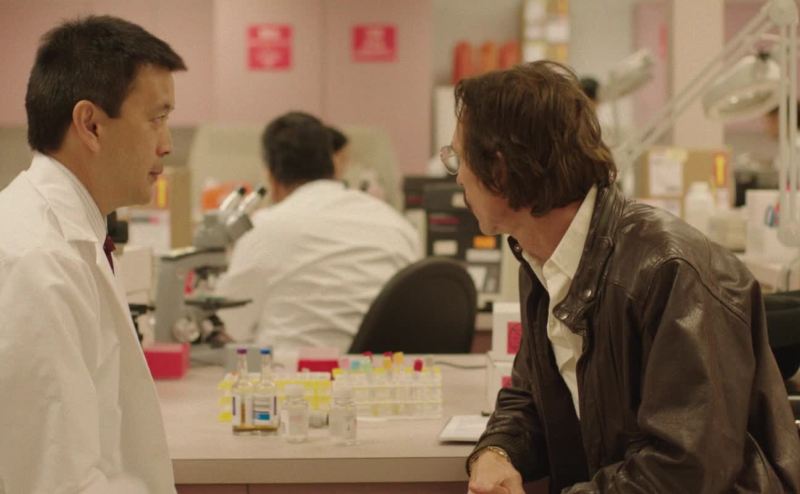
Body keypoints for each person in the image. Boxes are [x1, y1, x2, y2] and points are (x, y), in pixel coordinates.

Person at [445, 61, 800, 493]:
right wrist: (497, 451)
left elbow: (684, 470)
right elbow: (532, 394)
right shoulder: (541, 256)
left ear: (500, 170)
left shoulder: (671, 271)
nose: (458, 175)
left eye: (459, 158)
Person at [0, 16, 185, 493]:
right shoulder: (37, 261)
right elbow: (55, 481)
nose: (167, 145)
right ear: (91, 125)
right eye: (157, 119)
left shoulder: (72, 236)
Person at [216, 112, 420, 353]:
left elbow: (229, 323)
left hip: (290, 372)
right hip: (383, 372)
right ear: (333, 164)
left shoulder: (262, 228)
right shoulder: (396, 224)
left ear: (271, 175)